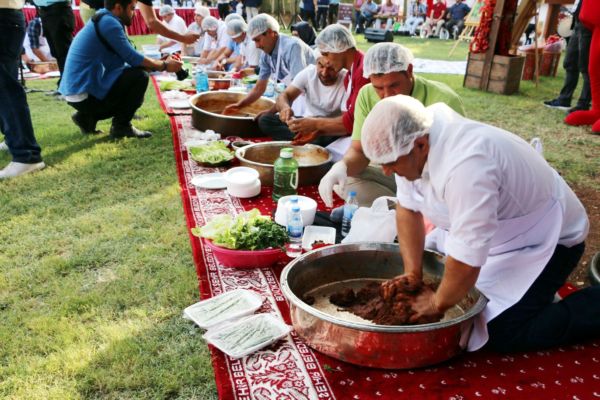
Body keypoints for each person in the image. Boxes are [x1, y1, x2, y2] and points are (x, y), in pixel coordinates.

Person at [361, 94, 597, 353]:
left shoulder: (469, 167)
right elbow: (407, 209)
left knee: (501, 330)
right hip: (493, 233)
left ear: (420, 145)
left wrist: (437, 304)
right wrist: (412, 273)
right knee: (453, 291)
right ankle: (528, 296)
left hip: (547, 239)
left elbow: (466, 259)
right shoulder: (411, 136)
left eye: (391, 163)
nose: (385, 171)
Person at [318, 42, 464, 208]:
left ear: (409, 71)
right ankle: (403, 208)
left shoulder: (445, 100)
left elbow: (453, 167)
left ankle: (402, 210)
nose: (386, 95)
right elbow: (359, 151)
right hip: (394, 173)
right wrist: (342, 166)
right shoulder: (366, 94)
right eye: (378, 88)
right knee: (344, 183)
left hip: (431, 178)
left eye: (394, 85)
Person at [59, 0, 183, 139]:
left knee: (134, 73)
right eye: (132, 8)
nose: (134, 14)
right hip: (83, 95)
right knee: (139, 76)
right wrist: (164, 65)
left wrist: (149, 64)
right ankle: (121, 127)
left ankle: (86, 118)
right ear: (118, 7)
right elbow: (133, 57)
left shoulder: (103, 18)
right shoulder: (109, 23)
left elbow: (123, 61)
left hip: (76, 93)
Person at [222, 14, 315, 116]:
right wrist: (239, 105)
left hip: (310, 96)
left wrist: (274, 110)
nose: (257, 46)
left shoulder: (292, 47)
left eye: (258, 40)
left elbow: (298, 87)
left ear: (272, 33)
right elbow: (259, 88)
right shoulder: (266, 54)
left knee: (269, 120)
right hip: (292, 96)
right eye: (254, 41)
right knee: (265, 120)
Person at [298, 24, 369, 151]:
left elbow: (352, 123)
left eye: (326, 54)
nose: (326, 61)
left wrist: (316, 124)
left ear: (340, 48)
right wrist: (318, 130)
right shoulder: (350, 74)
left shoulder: (363, 71)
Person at [257, 53, 348, 146]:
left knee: (322, 139)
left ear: (339, 67)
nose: (324, 73)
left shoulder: (347, 80)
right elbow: (285, 95)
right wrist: (285, 108)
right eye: (321, 66)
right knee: (265, 120)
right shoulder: (309, 72)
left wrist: (317, 126)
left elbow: (346, 122)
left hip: (327, 128)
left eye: (331, 68)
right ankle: (306, 140)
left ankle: (304, 141)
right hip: (306, 122)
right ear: (317, 63)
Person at [0, 0, 45, 179]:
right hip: (8, 16)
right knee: (5, 85)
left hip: (4, 16)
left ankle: (26, 155)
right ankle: (14, 141)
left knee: (5, 89)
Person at [543, 0, 591, 114]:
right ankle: (564, 99)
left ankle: (583, 105)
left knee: (586, 67)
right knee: (570, 62)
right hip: (577, 24)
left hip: (589, 26)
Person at [32, 0, 75, 91]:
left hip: (59, 9)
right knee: (56, 52)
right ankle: (63, 85)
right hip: (45, 11)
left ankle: (69, 86)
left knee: (64, 52)